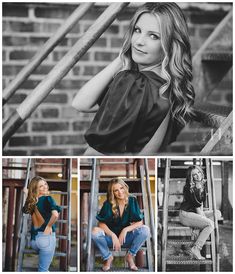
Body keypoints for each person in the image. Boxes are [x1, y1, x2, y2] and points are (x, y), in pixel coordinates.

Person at [72, 3, 195, 155]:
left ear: (169, 45)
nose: (138, 41)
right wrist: (123, 58)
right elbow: (82, 104)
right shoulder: (170, 89)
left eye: (153, 36)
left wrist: (122, 58)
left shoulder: (134, 84)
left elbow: (96, 153)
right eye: (137, 30)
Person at [91, 178, 150, 271]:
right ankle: (108, 257)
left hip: (126, 239)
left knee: (145, 229)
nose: (120, 192)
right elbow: (101, 224)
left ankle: (130, 256)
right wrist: (113, 235)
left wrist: (125, 230)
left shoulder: (132, 200)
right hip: (111, 240)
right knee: (94, 231)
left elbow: (140, 222)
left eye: (121, 188)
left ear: (125, 188)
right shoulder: (108, 204)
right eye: (116, 190)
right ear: (112, 192)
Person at [179, 166, 221, 260]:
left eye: (198, 172)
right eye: (194, 175)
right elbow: (198, 209)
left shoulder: (201, 185)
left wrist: (199, 225)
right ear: (191, 177)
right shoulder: (189, 188)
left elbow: (200, 206)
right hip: (186, 215)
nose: (198, 176)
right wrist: (204, 221)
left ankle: (198, 229)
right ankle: (196, 249)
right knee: (210, 224)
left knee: (217, 213)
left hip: (195, 213)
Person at [22, 176, 61, 272]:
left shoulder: (32, 201)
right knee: (43, 270)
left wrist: (28, 194)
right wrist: (49, 226)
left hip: (34, 241)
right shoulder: (48, 199)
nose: (45, 187)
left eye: (45, 184)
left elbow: (25, 210)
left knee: (43, 270)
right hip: (46, 238)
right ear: (36, 189)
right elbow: (55, 214)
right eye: (41, 186)